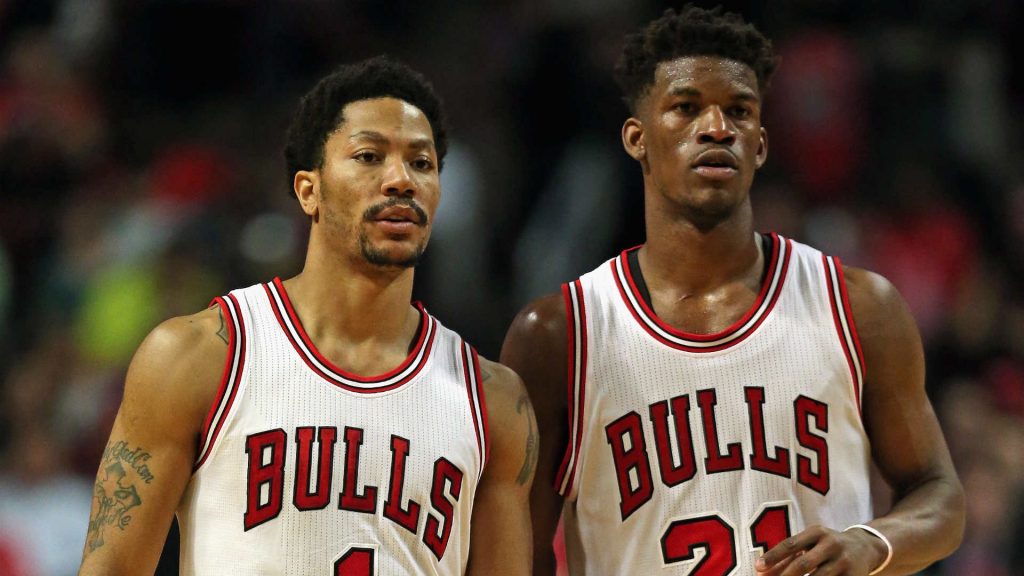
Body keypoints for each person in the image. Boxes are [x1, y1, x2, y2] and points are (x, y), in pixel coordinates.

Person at [501, 5, 965, 575]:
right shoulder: (560, 335)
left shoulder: (858, 308)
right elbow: (516, 557)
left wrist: (873, 542)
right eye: (686, 107)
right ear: (637, 138)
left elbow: (939, 494)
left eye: (739, 111)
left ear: (761, 145)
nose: (717, 127)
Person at [78, 56, 537, 575]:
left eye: (422, 163)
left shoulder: (493, 403)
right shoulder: (199, 357)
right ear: (308, 190)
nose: (400, 180)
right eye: (369, 156)